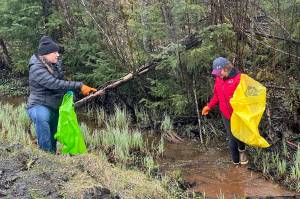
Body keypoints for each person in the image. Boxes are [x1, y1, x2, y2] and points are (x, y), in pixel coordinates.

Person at [27, 36, 97, 153]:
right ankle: (45, 154)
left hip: (54, 105)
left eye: (57, 52)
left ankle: (52, 154)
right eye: (55, 52)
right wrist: (80, 85)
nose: (58, 54)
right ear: (46, 54)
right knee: (43, 119)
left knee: (54, 131)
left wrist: (77, 93)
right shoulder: (36, 68)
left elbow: (63, 84)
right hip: (38, 105)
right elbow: (54, 83)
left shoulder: (54, 64)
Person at [201, 57, 248, 165]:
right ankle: (236, 166)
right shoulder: (219, 79)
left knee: (239, 136)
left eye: (220, 72)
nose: (218, 75)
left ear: (226, 68)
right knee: (231, 140)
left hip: (238, 114)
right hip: (225, 114)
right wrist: (209, 106)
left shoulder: (239, 78)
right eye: (217, 73)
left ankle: (242, 150)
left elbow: (248, 95)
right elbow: (217, 95)